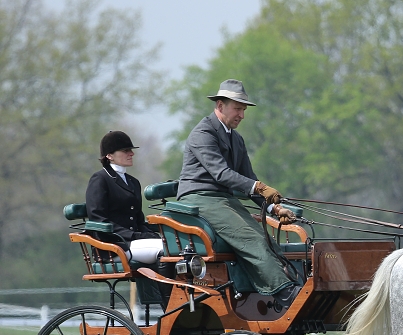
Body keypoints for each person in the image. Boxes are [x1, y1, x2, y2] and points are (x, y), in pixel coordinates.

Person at [177, 79, 300, 306]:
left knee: (267, 239)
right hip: (198, 200)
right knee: (251, 238)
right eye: (238, 108)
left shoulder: (236, 139)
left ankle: (273, 292)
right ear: (220, 105)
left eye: (243, 110)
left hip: (224, 201)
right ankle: (284, 293)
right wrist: (261, 188)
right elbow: (222, 174)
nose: (242, 115)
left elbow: (248, 180)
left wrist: (275, 208)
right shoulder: (202, 133)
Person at [86, 130, 163, 264]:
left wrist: (149, 233)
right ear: (109, 155)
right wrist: (134, 235)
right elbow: (99, 220)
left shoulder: (133, 182)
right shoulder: (100, 179)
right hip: (113, 246)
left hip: (133, 243)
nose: (131, 154)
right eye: (125, 150)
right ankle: (165, 286)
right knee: (165, 249)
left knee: (175, 247)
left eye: (131, 150)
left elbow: (138, 219)